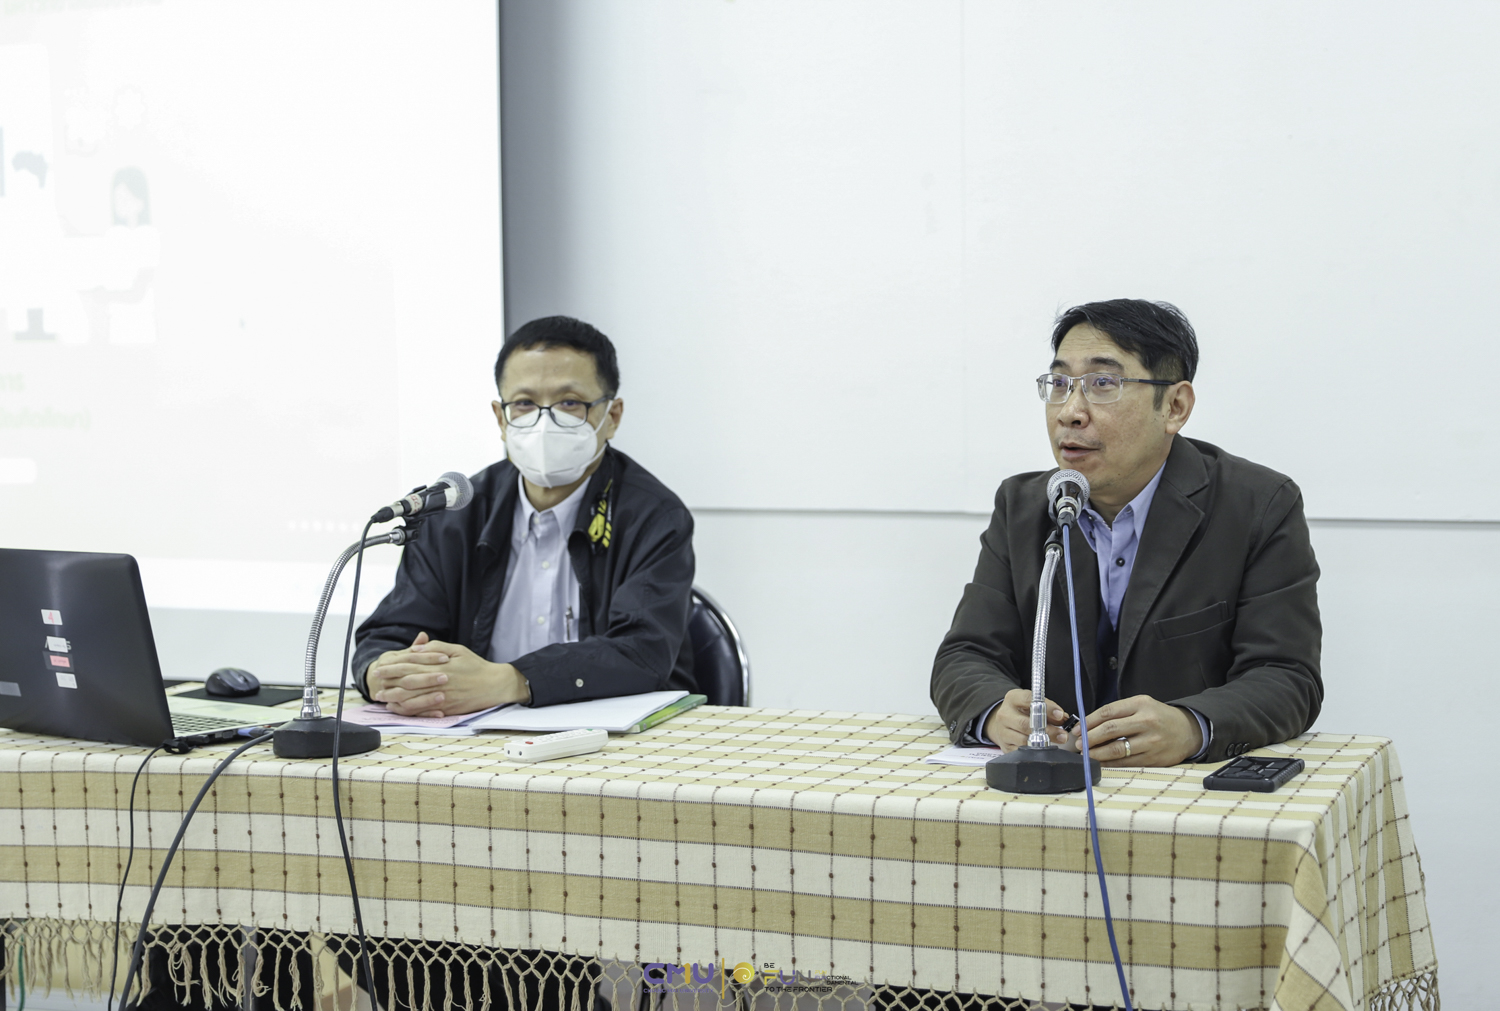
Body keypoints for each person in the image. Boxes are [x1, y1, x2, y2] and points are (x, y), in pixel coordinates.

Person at [931, 299, 1322, 766]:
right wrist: (996, 711)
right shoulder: (1024, 506)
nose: (1070, 413)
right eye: (1059, 384)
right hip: (1052, 780)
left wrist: (1192, 725)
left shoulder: (1258, 505)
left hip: (1184, 789)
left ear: (1175, 407)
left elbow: (1286, 676)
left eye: (1103, 384)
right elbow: (966, 655)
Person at [354, 314, 697, 714]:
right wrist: (382, 672)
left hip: (614, 734)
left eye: (570, 403)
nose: (545, 421)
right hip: (474, 735)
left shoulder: (654, 516)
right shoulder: (454, 513)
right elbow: (392, 634)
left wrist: (512, 681)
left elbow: (642, 652)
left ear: (612, 417)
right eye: (524, 404)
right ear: (501, 419)